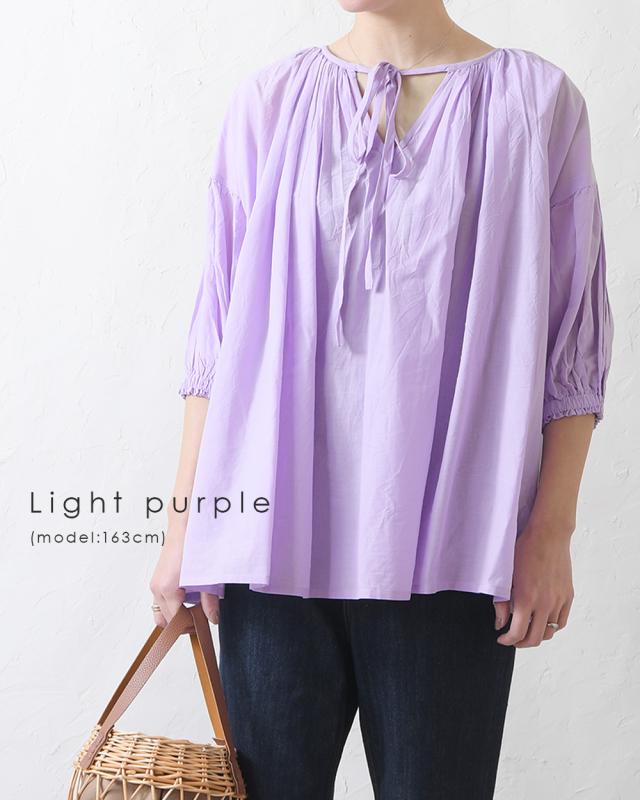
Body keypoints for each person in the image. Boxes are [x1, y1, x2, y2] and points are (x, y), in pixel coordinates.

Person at [150, 1, 615, 797]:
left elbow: (572, 344)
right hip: (271, 553)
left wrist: (552, 531)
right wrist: (183, 528)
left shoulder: (537, 104)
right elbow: (218, 343)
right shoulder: (270, 103)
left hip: (453, 554)